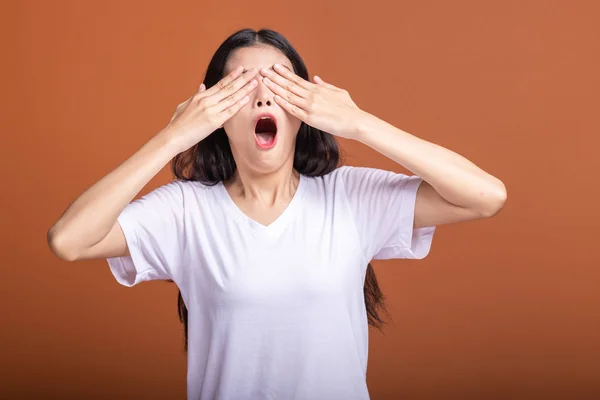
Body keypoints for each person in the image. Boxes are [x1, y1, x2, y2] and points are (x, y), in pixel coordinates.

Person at [47, 28, 507, 400]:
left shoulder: (350, 197)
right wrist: (172, 137)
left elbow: (485, 195)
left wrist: (360, 123)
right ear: (215, 115)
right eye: (242, 86)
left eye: (281, 83)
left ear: (305, 110)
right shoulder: (185, 211)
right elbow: (69, 240)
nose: (264, 97)